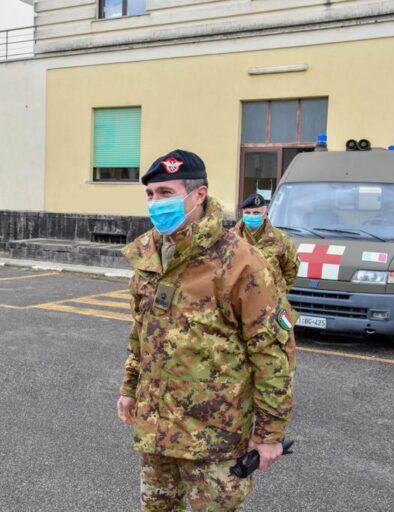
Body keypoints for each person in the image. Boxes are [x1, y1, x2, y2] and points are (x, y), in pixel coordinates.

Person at [116, 150, 295, 511]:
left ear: (199, 195)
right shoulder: (150, 255)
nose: (155, 203)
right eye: (150, 195)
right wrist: (130, 388)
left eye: (166, 194)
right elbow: (142, 333)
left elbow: (271, 351)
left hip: (215, 437)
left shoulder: (240, 260)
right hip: (157, 431)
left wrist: (270, 433)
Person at [233, 193, 299, 294]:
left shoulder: (280, 238)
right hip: (240, 300)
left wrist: (280, 291)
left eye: (256, 213)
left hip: (270, 302)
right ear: (242, 214)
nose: (251, 216)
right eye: (248, 212)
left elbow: (291, 269)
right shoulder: (230, 238)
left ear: (265, 214)